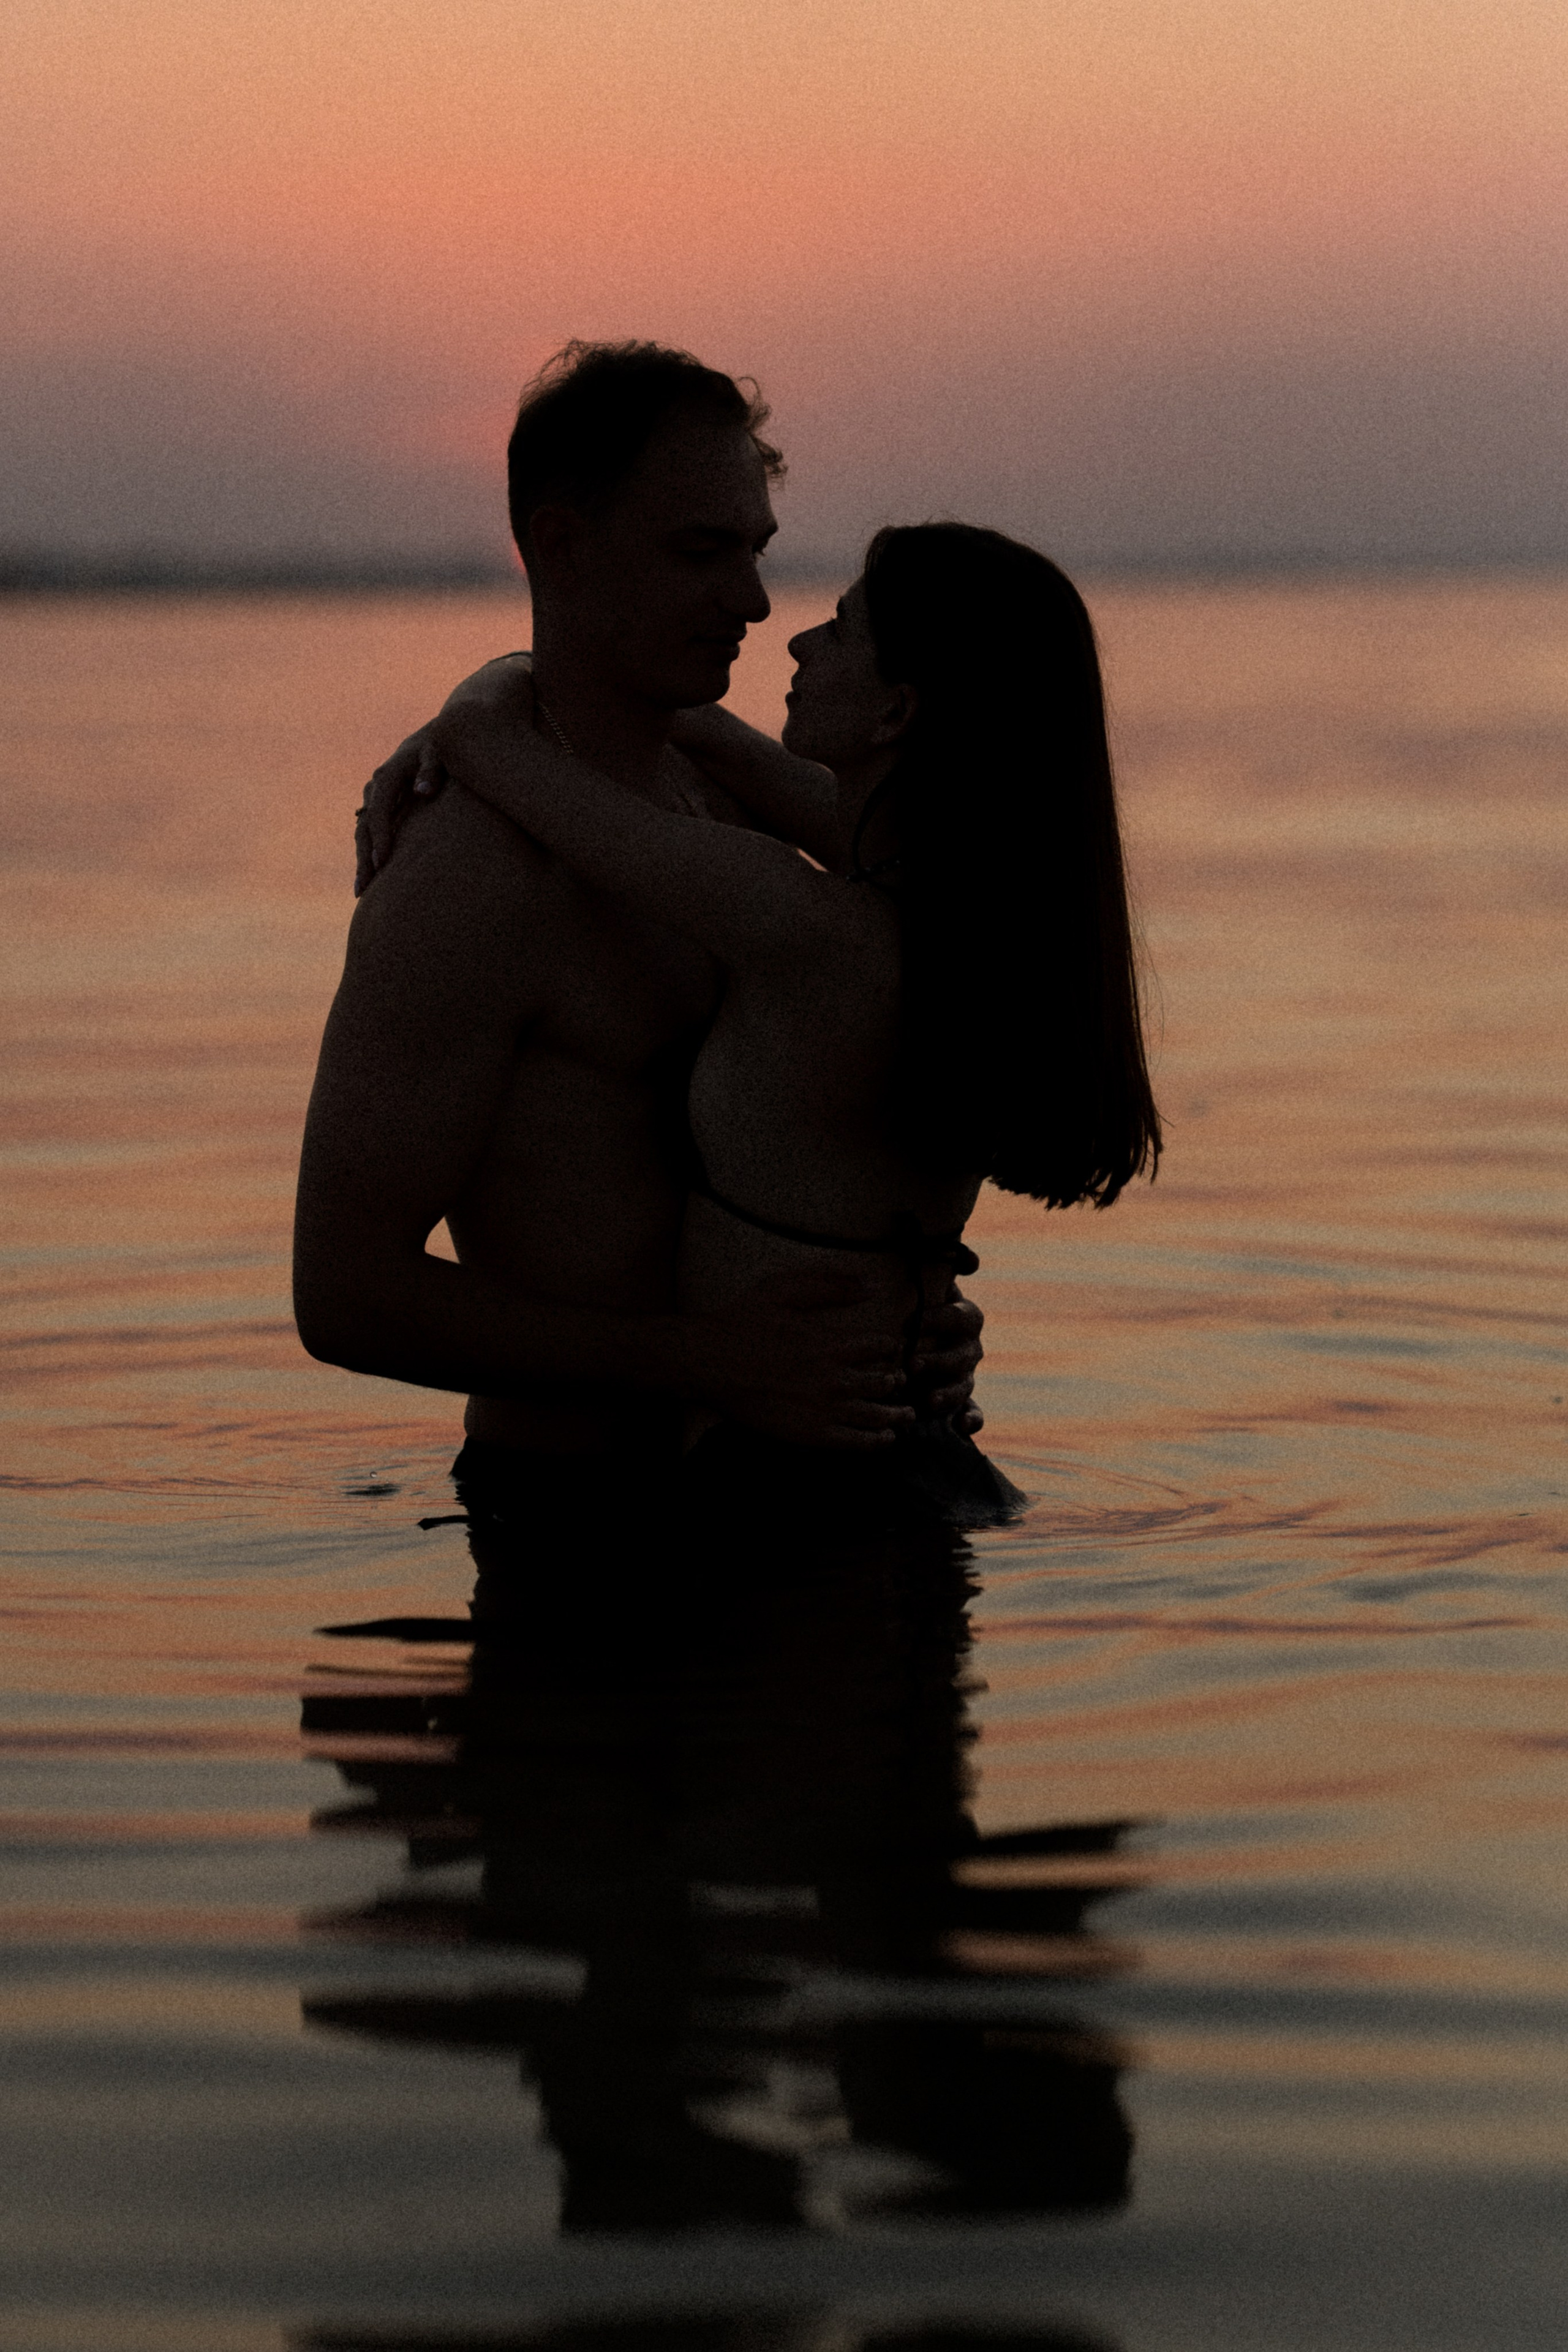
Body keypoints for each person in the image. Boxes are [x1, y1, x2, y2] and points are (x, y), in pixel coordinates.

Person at [362, 514, 1161, 1521]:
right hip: (920, 1463)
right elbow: (711, 739)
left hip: (797, 1487)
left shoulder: (799, 922)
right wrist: (530, 688)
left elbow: (501, 755)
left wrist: (461, 718)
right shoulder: (972, 920)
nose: (797, 641)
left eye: (842, 628)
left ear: (895, 712)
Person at [293, 341, 984, 1494]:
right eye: (702, 553)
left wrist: (906, 1300)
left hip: (816, 1501)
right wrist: (711, 1364)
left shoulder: (731, 809)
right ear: (560, 545)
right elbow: (344, 1295)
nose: (753, 602)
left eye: (756, 551)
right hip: (579, 1533)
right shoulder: (470, 874)